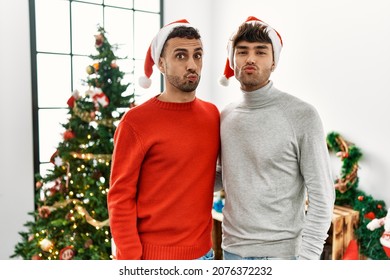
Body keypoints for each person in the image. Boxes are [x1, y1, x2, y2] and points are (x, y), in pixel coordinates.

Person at [215, 16, 335, 260]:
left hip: (283, 256)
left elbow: (323, 197)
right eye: (242, 51)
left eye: (260, 52)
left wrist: (307, 259)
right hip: (232, 252)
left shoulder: (302, 115)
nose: (250, 58)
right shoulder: (225, 116)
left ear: (273, 62)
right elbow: (222, 176)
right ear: (232, 59)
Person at [107, 19, 220, 260]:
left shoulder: (212, 116)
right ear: (160, 63)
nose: (192, 65)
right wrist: (130, 259)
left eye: (197, 55)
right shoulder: (136, 122)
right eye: (181, 56)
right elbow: (120, 196)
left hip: (204, 254)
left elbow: (208, 176)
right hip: (153, 258)